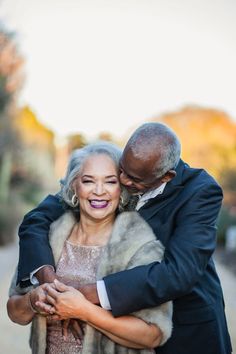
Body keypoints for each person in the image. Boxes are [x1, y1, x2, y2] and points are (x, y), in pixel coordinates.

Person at [16, 122, 232, 354]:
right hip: (123, 334)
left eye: (133, 179)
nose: (123, 180)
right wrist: (51, 282)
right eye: (121, 171)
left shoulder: (199, 191)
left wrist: (89, 294)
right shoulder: (123, 171)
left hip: (186, 334)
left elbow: (179, 273)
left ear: (166, 176)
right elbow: (37, 219)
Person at [7, 142, 173, 354]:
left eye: (110, 181)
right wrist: (32, 300)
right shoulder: (48, 237)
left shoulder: (140, 245)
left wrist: (83, 311)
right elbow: (14, 312)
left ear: (121, 188)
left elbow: (154, 334)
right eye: (88, 181)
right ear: (74, 185)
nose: (99, 191)